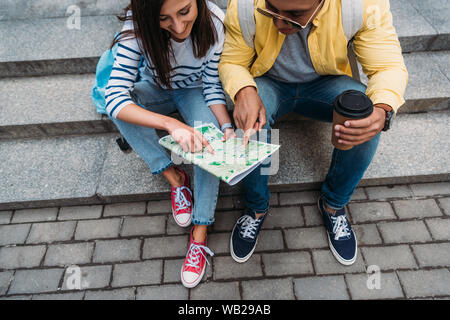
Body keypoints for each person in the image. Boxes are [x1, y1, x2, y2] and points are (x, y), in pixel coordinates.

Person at [218, 0, 408, 265]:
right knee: (251, 124)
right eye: (271, 9)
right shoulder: (244, 4)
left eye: (294, 15)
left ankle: (333, 204)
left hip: (326, 82)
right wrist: (243, 90)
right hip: (269, 82)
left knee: (366, 119)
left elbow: (387, 67)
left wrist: (382, 110)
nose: (279, 23)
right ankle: (256, 207)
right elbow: (232, 61)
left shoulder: (363, 5)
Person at [105, 0, 235, 288]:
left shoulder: (215, 20)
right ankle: (174, 176)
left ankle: (200, 231)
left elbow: (212, 85)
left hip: (194, 92)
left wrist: (227, 127)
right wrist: (171, 124)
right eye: (164, 19)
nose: (177, 27)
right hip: (156, 90)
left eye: (185, 12)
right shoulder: (137, 23)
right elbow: (114, 96)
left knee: (210, 139)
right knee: (122, 107)